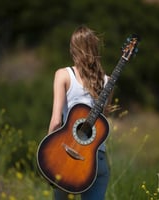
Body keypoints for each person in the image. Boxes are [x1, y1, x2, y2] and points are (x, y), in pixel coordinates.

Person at [48, 25, 113, 200]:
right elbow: (101, 126)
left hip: (67, 154)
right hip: (97, 159)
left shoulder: (63, 75)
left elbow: (55, 122)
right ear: (95, 49)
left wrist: (50, 155)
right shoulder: (107, 81)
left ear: (73, 49)